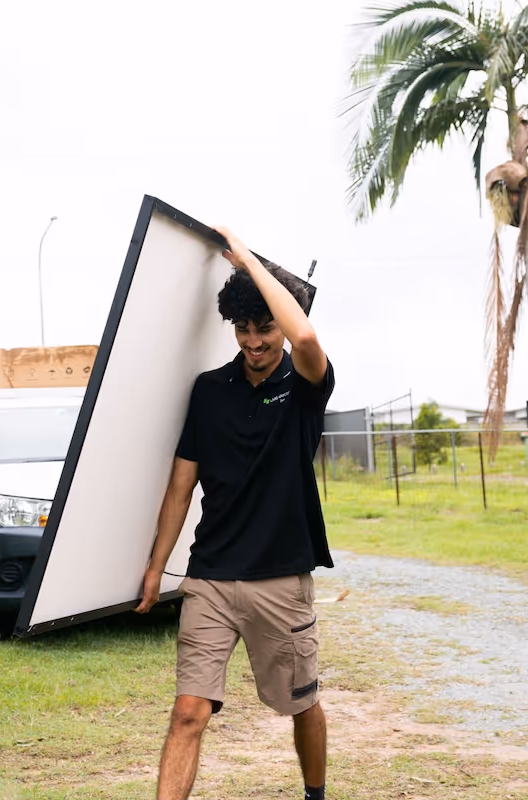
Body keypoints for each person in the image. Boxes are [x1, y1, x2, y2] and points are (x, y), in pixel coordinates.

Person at [135, 226, 334, 800]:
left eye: (264, 327)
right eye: (243, 328)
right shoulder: (209, 390)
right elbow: (180, 488)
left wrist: (246, 259)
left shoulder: (304, 384)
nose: (253, 341)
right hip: (212, 578)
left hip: (281, 578)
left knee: (301, 705)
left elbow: (306, 335)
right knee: (188, 712)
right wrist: (156, 567)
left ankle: (315, 795)